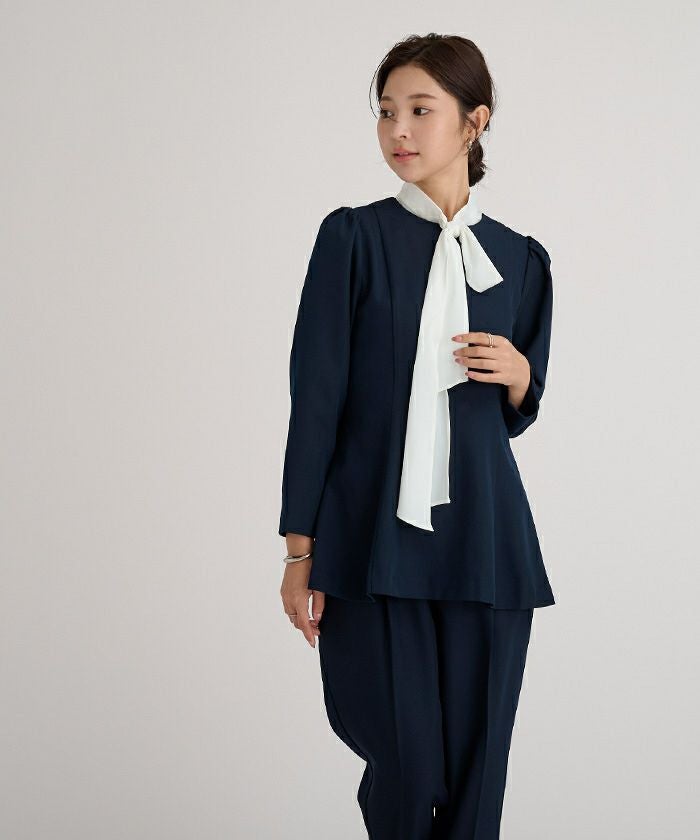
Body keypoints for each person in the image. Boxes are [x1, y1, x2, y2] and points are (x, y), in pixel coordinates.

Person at [278, 32, 556, 840]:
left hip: (488, 549)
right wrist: (300, 550)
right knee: (405, 774)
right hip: (372, 544)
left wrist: (520, 375)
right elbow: (315, 401)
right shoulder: (352, 240)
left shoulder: (522, 260)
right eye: (386, 111)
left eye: (420, 110)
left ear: (475, 122)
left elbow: (518, 411)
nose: (397, 129)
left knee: (476, 788)